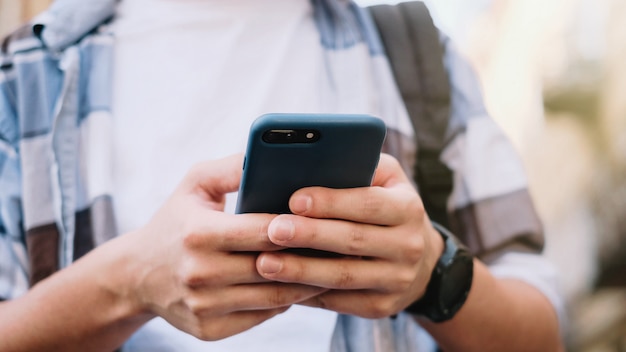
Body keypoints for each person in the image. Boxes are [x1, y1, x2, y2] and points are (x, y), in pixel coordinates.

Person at [0, 0, 564, 351]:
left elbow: (541, 336)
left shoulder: (414, 51)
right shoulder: (23, 78)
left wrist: (430, 276)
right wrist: (130, 282)